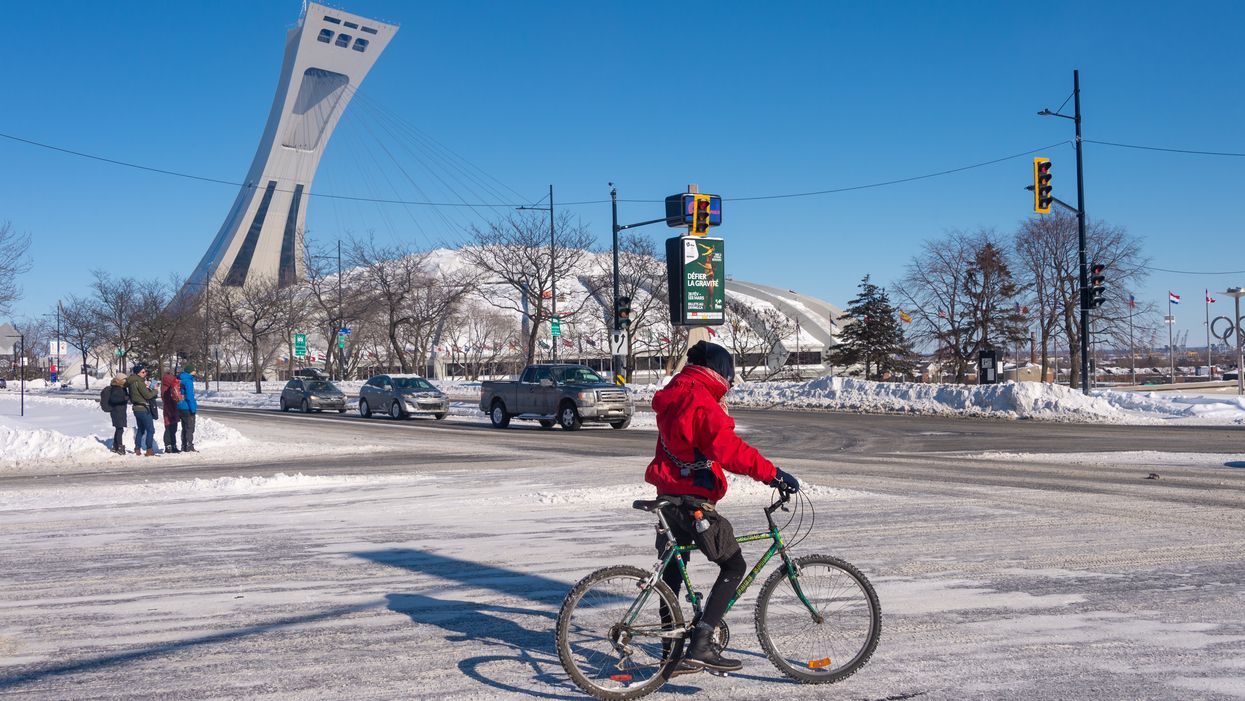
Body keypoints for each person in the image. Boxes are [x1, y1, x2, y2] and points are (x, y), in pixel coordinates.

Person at [645, 340, 800, 673]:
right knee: (733, 565)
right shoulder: (699, 400)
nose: (729, 386)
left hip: (668, 496)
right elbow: (728, 448)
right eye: (729, 377)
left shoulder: (675, 393)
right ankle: (700, 644)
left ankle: (670, 655)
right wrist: (773, 474)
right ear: (719, 372)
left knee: (672, 573)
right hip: (691, 501)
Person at [126, 363, 159, 456]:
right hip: (143, 408)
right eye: (143, 372)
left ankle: (137, 448)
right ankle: (149, 449)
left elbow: (138, 394)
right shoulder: (139, 382)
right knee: (150, 430)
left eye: (145, 371)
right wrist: (155, 390)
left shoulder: (132, 382)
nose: (145, 373)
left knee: (141, 429)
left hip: (136, 409)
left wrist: (147, 388)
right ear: (138, 373)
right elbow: (147, 395)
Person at [106, 373, 130, 455]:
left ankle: (115, 446)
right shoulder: (116, 388)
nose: (126, 381)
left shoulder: (121, 388)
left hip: (120, 411)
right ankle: (119, 446)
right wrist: (124, 398)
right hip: (117, 412)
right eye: (124, 379)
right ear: (120, 380)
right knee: (120, 429)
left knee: (119, 429)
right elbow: (114, 399)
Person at [177, 363, 198, 452]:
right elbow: (189, 396)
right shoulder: (188, 381)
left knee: (184, 427)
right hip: (187, 407)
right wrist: (193, 409)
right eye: (194, 370)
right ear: (191, 371)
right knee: (190, 427)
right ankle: (189, 446)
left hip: (179, 406)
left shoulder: (179, 379)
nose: (195, 372)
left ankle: (183, 445)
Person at [161, 371, 182, 454]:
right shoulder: (166, 388)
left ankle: (173, 445)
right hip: (169, 409)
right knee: (169, 428)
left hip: (173, 408)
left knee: (173, 428)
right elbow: (167, 399)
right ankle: (168, 445)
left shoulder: (170, 386)